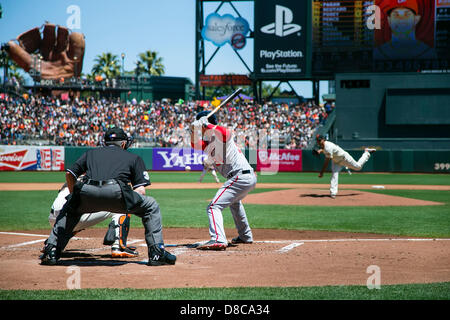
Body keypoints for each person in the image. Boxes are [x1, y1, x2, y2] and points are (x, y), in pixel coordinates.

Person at [39, 127, 176, 266]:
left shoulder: (90, 153)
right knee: (151, 205)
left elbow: (69, 174)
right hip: (116, 192)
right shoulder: (133, 157)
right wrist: (128, 201)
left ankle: (51, 250)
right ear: (123, 144)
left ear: (105, 142)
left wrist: (74, 196)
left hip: (88, 192)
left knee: (70, 209)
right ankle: (156, 253)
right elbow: (141, 191)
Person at [190, 111, 256, 250]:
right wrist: (193, 130)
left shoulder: (219, 135)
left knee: (213, 207)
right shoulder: (209, 143)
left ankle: (218, 239)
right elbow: (195, 145)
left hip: (240, 176)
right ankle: (245, 236)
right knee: (235, 204)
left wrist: (206, 124)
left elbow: (226, 133)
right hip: (243, 177)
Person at [47, 181, 138, 258]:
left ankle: (54, 243)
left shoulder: (73, 178)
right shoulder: (96, 177)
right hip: (73, 217)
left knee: (78, 210)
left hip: (54, 219)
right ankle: (118, 247)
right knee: (122, 206)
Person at [315, 135, 376, 199]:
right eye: (317, 140)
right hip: (336, 161)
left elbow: (326, 161)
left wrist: (322, 172)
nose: (318, 141)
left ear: (323, 139)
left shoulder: (328, 146)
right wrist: (320, 151)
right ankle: (333, 193)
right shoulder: (324, 145)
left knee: (358, 167)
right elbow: (324, 149)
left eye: (319, 140)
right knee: (334, 174)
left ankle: (366, 153)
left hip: (344, 158)